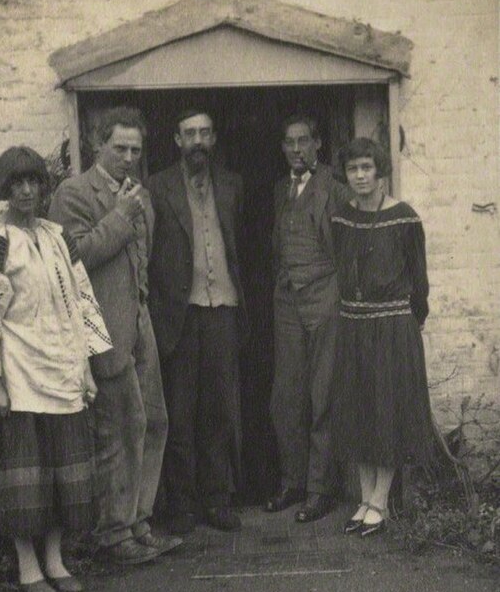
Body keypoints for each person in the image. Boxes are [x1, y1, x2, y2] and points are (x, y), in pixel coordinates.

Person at [0, 146, 113, 592]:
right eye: (17, 184)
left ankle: (56, 560)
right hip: (20, 373)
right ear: (5, 191)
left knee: (63, 472)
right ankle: (29, 567)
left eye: (33, 182)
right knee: (25, 477)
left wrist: (85, 367)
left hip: (61, 366)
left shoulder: (57, 236)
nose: (26, 191)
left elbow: (82, 300)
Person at [49, 107, 181, 564]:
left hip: (139, 321)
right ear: (97, 146)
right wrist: (123, 215)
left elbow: (144, 254)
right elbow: (74, 256)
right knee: (118, 428)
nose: (129, 157)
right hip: (101, 327)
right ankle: (113, 533)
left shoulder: (136, 194)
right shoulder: (73, 193)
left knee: (154, 421)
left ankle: (139, 521)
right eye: (120, 148)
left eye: (136, 150)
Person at [148, 108, 248, 534]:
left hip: (223, 308)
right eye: (190, 133)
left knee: (219, 411)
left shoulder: (233, 185)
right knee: (182, 411)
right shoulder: (156, 186)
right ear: (176, 139)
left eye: (205, 133)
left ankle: (217, 500)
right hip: (179, 313)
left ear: (213, 139)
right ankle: (183, 505)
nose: (198, 142)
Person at [331, 138, 435, 536]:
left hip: (392, 325)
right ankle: (364, 498)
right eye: (353, 169)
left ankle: (380, 501)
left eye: (367, 169)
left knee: (386, 410)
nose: (360, 176)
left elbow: (419, 280)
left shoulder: (404, 218)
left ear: (380, 172)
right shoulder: (341, 218)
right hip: (354, 325)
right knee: (358, 408)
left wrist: (411, 322)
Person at [266, 114, 351, 522]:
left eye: (303, 141)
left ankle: (320, 489)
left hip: (324, 296)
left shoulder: (334, 189)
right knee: (287, 396)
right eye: (289, 142)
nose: (296, 149)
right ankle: (293, 481)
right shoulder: (280, 189)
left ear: (318, 144)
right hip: (287, 299)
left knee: (322, 395)